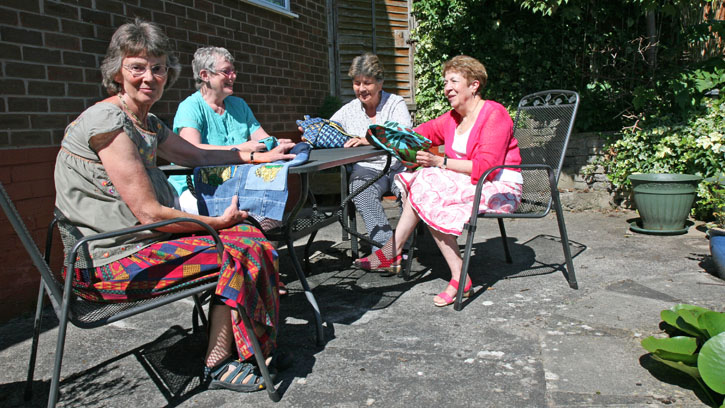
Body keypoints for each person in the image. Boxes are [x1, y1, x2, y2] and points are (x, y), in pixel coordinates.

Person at [54, 19, 295, 392]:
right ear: (117, 71)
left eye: (158, 67)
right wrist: (214, 221)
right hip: (111, 260)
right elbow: (149, 213)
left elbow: (195, 155)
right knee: (242, 245)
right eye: (137, 67)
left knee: (249, 234)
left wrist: (252, 157)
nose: (149, 76)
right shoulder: (109, 121)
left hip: (140, 242)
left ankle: (252, 346)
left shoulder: (145, 121)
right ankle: (221, 360)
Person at [355, 55, 524, 307]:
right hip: (468, 184)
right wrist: (377, 138)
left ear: (474, 85)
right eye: (445, 82)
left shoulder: (494, 114)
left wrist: (440, 162)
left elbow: (486, 167)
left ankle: (402, 254)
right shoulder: (453, 117)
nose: (447, 88)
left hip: (499, 186)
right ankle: (448, 272)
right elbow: (417, 133)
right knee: (424, 181)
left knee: (428, 182)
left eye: (454, 81)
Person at [168, 46, 294, 217]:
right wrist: (240, 149)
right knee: (260, 206)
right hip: (195, 187)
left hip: (235, 182)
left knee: (272, 194)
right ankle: (260, 235)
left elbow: (263, 139)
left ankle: (263, 236)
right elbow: (192, 150)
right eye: (226, 72)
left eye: (233, 71)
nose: (233, 77)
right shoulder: (190, 107)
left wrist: (276, 144)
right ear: (205, 75)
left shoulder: (239, 105)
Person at [329, 53, 412, 252]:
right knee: (359, 188)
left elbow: (403, 133)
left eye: (367, 82)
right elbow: (330, 127)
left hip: (397, 166)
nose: (361, 89)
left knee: (410, 190)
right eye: (357, 83)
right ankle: (384, 247)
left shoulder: (395, 103)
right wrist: (311, 132)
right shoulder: (349, 110)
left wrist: (369, 139)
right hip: (367, 170)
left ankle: (405, 243)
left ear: (380, 83)